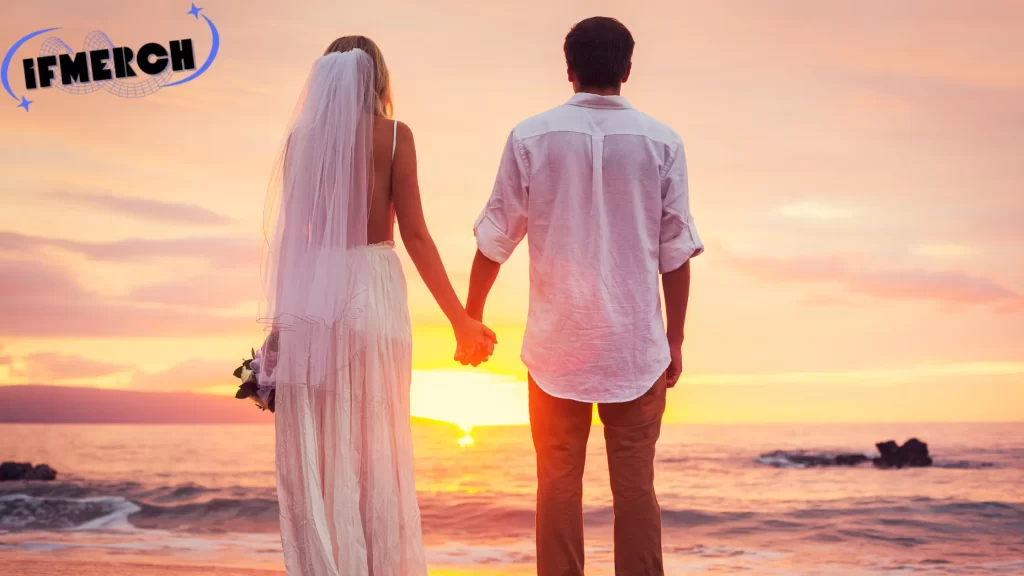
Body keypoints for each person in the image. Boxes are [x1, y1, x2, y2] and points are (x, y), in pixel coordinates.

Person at [464, 17, 703, 576]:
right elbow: (675, 251)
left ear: (568, 69)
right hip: (635, 346)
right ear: (626, 69)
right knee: (636, 487)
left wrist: (471, 317)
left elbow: (495, 237)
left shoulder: (530, 136)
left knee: (557, 484)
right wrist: (675, 339)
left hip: (557, 346)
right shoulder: (662, 141)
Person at [261, 36, 497, 575]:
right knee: (379, 446)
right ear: (379, 80)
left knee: (326, 450)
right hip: (376, 290)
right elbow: (414, 234)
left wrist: (281, 328)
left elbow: (291, 242)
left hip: (315, 295)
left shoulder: (302, 143)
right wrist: (461, 319)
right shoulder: (393, 137)